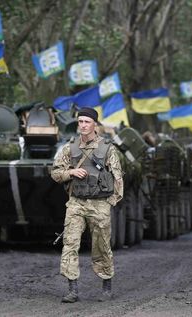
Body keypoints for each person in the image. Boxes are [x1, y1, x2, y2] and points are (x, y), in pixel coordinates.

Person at [51, 107, 123, 303]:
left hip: (100, 204)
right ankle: (72, 289)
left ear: (95, 124)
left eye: (87, 122)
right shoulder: (69, 148)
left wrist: (110, 202)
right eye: (80, 121)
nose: (83, 125)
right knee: (70, 244)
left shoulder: (108, 149)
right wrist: (71, 173)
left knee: (101, 246)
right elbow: (55, 172)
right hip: (76, 203)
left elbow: (117, 179)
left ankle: (106, 285)